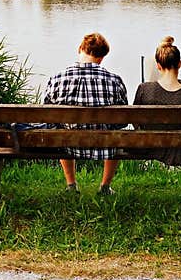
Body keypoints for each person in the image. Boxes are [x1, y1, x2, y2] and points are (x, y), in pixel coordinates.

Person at [43, 32, 128, 195]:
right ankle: (105, 187)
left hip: (67, 144)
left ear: (80, 49)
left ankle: (71, 185)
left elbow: (48, 116)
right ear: (102, 57)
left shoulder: (57, 79)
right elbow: (122, 120)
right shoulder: (114, 80)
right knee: (116, 133)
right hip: (105, 145)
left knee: (61, 129)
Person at [132, 36, 181, 167]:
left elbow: (135, 119)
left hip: (149, 146)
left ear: (158, 66)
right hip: (180, 149)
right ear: (180, 64)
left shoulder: (144, 89)